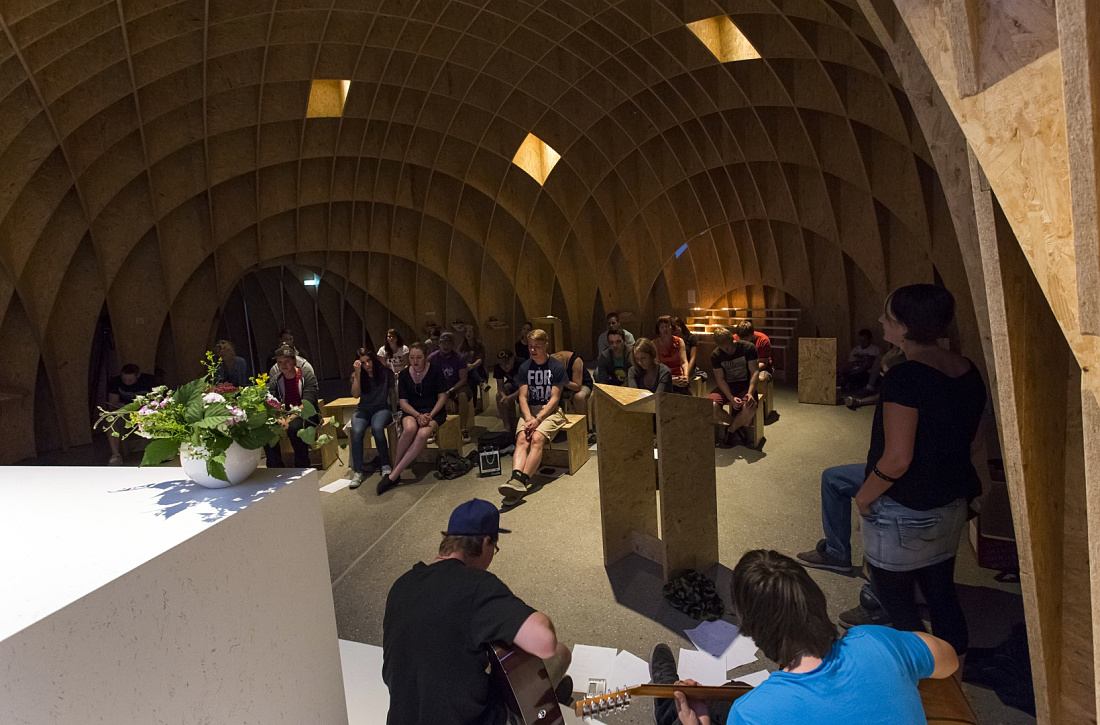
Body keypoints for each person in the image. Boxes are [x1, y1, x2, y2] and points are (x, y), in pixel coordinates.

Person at [650, 550, 958, 725]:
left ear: (752, 626)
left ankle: (665, 695)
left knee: (697, 712)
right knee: (733, 691)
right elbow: (948, 659)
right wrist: (896, 659)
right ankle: (666, 692)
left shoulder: (754, 714)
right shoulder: (877, 642)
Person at [855, 285, 984, 657]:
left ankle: (929, 686)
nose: (881, 321)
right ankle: (954, 675)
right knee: (942, 595)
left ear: (907, 328)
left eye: (888, 317)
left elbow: (897, 459)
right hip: (950, 501)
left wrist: (863, 497)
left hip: (905, 509)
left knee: (899, 609)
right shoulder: (966, 368)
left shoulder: (905, 378)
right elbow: (975, 441)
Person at [383, 498, 571, 725]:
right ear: (485, 543)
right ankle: (542, 704)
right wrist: (544, 618)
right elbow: (545, 641)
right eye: (495, 548)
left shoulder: (402, 585)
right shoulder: (476, 586)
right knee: (560, 653)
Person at [498, 329, 568, 506]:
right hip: (530, 411)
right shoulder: (525, 367)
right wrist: (529, 417)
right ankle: (515, 477)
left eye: (537, 346)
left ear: (546, 345)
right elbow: (522, 396)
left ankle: (521, 482)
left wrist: (538, 420)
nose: (533, 350)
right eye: (530, 346)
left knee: (537, 438)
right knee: (522, 438)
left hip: (550, 412)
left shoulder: (556, 367)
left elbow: (555, 398)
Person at [379, 343, 448, 495]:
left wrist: (429, 415)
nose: (415, 361)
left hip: (433, 411)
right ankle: (395, 472)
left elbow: (442, 397)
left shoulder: (435, 370)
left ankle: (391, 476)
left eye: (419, 358)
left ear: (425, 357)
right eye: (411, 358)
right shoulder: (404, 375)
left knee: (422, 434)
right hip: (413, 411)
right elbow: (403, 403)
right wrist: (417, 415)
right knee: (410, 429)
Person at [264, 343, 320, 469]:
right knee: (267, 428)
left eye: (287, 361)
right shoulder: (275, 380)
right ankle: (275, 466)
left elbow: (307, 404)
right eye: (280, 362)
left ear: (294, 361)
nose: (283, 365)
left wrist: (288, 420)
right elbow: (272, 403)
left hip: (307, 415)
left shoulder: (307, 377)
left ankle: (302, 465)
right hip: (284, 415)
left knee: (295, 428)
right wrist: (279, 418)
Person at [348, 347, 396, 489]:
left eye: (369, 361)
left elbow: (392, 393)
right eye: (363, 363)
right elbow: (356, 395)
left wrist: (394, 413)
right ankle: (358, 471)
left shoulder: (385, 372)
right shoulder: (358, 375)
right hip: (364, 409)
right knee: (357, 432)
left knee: (377, 428)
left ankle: (385, 464)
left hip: (381, 408)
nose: (367, 365)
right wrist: (357, 374)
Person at [709, 327, 760, 448]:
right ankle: (737, 426)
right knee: (710, 406)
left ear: (733, 340)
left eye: (728, 346)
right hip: (727, 387)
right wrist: (730, 397)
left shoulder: (748, 348)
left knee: (749, 410)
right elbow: (720, 379)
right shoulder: (716, 355)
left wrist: (750, 393)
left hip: (745, 386)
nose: (726, 350)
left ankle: (731, 430)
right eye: (723, 348)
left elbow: (754, 372)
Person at [104, 363, 157, 464]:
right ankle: (116, 455)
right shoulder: (115, 382)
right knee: (111, 420)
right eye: (124, 380)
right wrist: (124, 409)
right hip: (123, 414)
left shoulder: (149, 381)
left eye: (130, 380)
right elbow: (112, 403)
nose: (127, 383)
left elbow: (156, 402)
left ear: (137, 376)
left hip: (144, 414)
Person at [429, 331, 474, 443]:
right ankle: (434, 427)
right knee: (431, 397)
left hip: (456, 386)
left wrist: (450, 391)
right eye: (443, 343)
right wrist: (442, 393)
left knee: (463, 395)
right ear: (439, 344)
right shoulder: (432, 358)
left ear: (452, 345)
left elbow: (463, 379)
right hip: (439, 386)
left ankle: (463, 428)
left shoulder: (459, 358)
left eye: (448, 343)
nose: (446, 346)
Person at [551, 348, 595, 443]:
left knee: (578, 397)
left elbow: (577, 386)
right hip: (562, 387)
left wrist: (562, 380)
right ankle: (557, 430)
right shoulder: (550, 361)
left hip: (582, 384)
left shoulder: (576, 361)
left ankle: (584, 431)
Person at [654, 315, 690, 394]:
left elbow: (684, 362)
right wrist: (670, 379)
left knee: (686, 395)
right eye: (662, 327)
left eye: (667, 326)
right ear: (659, 329)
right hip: (662, 377)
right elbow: (656, 366)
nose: (665, 329)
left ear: (672, 327)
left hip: (678, 376)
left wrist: (686, 376)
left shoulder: (679, 341)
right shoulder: (654, 344)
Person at [493, 349, 522, 432]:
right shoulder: (498, 367)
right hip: (513, 384)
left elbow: (525, 387)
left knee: (524, 397)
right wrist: (504, 397)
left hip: (526, 387)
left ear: (512, 359)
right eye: (502, 364)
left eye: (507, 363)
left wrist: (512, 397)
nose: (505, 367)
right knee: (499, 396)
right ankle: (507, 425)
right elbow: (500, 386)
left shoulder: (521, 364)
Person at [458, 325, 489, 395]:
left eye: (470, 332)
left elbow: (481, 359)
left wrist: (473, 365)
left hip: (479, 369)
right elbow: (459, 358)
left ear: (474, 333)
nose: (468, 334)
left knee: (472, 375)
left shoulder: (480, 345)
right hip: (466, 369)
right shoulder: (462, 346)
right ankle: (481, 382)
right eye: (466, 332)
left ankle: (480, 381)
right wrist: (467, 365)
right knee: (471, 380)